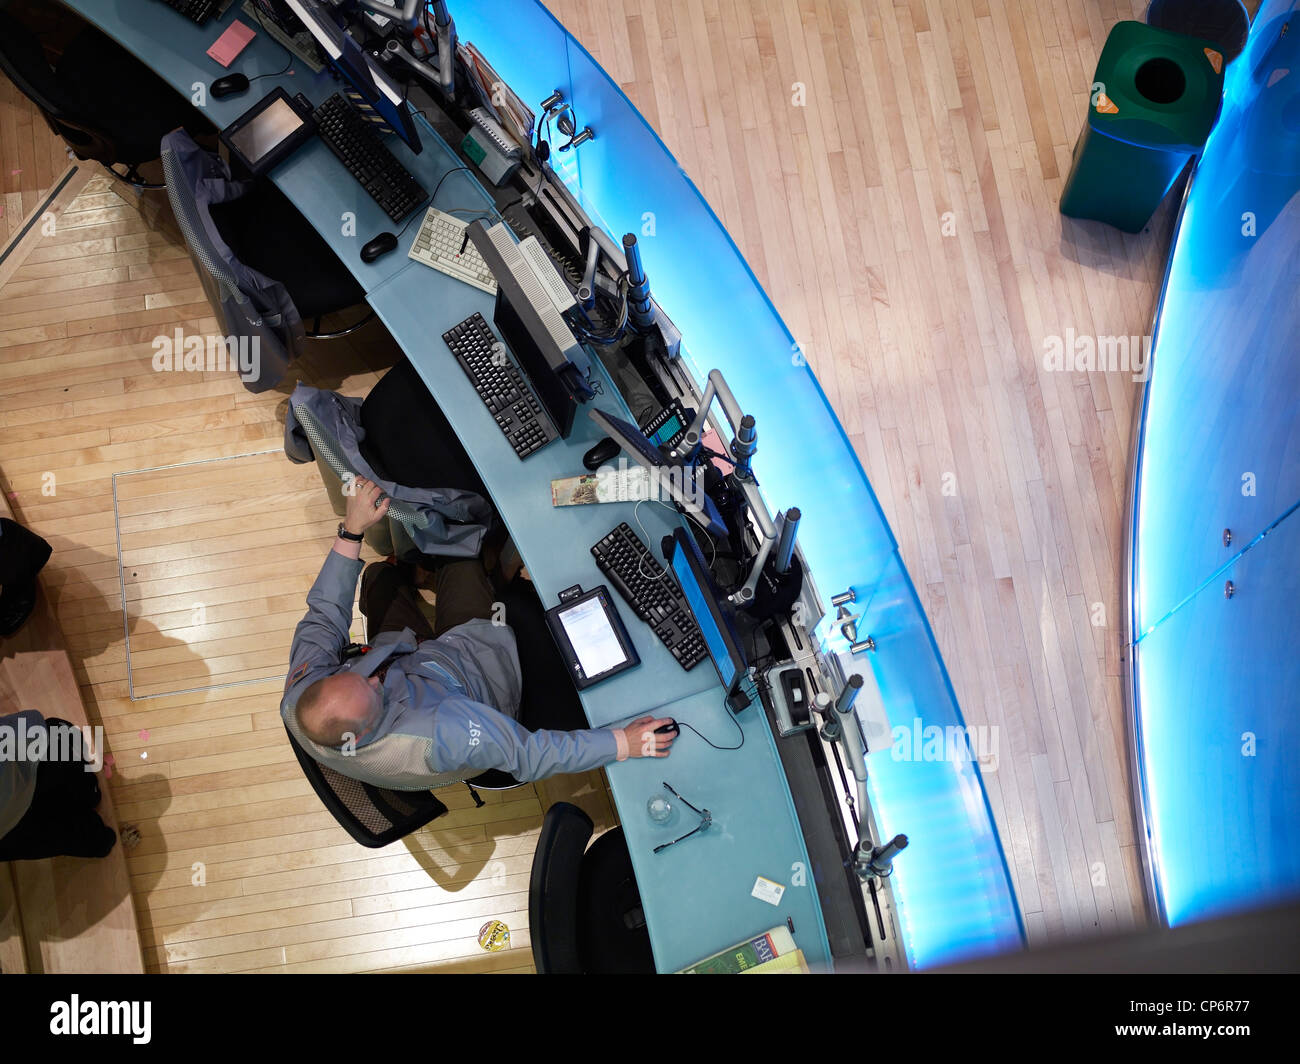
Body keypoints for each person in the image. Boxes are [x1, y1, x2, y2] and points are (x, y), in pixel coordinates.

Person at [281, 477, 676, 789]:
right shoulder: (440, 734)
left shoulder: (300, 698)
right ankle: (485, 572)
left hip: (411, 655)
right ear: (369, 730)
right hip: (469, 676)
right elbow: (528, 754)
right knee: (465, 561)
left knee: (378, 577)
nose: (372, 674)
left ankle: (422, 571)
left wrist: (351, 532)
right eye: (373, 688)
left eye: (355, 674)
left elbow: (323, 616)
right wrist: (623, 744)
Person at [0, 710, 116, 861]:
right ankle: (87, 792)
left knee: (94, 838)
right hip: (22, 779)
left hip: (11, 828)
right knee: (60, 732)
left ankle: (85, 798)